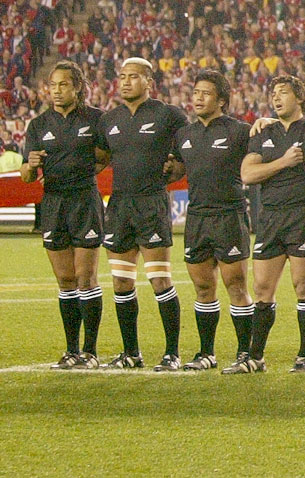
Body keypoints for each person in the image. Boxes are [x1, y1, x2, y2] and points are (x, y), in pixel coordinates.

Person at [232, 74, 305, 373]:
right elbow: (248, 175)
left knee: (303, 285)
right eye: (273, 93)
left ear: (300, 98)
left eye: (283, 92)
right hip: (270, 216)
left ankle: (303, 357)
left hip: (301, 215)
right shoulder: (264, 132)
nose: (276, 98)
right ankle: (255, 357)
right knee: (262, 288)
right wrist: (283, 162)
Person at [97, 57, 187, 370]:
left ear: (148, 81)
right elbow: (98, 158)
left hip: (152, 203)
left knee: (159, 279)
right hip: (120, 205)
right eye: (121, 76)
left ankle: (172, 353)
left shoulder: (169, 115)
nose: (124, 82)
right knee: (121, 282)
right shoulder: (109, 119)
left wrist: (177, 166)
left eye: (133, 77)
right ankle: (131, 353)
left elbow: (187, 152)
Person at [22, 60, 105, 368]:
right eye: (53, 85)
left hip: (85, 201)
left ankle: (90, 351)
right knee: (65, 280)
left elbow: (107, 155)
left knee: (86, 277)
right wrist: (30, 165)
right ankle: (71, 350)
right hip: (54, 204)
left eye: (63, 85)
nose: (56, 91)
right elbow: (27, 177)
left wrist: (88, 169)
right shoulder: (38, 125)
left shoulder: (95, 119)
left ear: (77, 88)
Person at [172, 70, 252, 370]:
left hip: (229, 215)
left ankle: (246, 353)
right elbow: (176, 170)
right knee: (204, 288)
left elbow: (261, 158)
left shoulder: (239, 132)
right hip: (197, 217)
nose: (198, 98)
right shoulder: (184, 135)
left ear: (221, 100)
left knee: (236, 285)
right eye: (195, 93)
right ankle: (206, 353)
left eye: (205, 93)